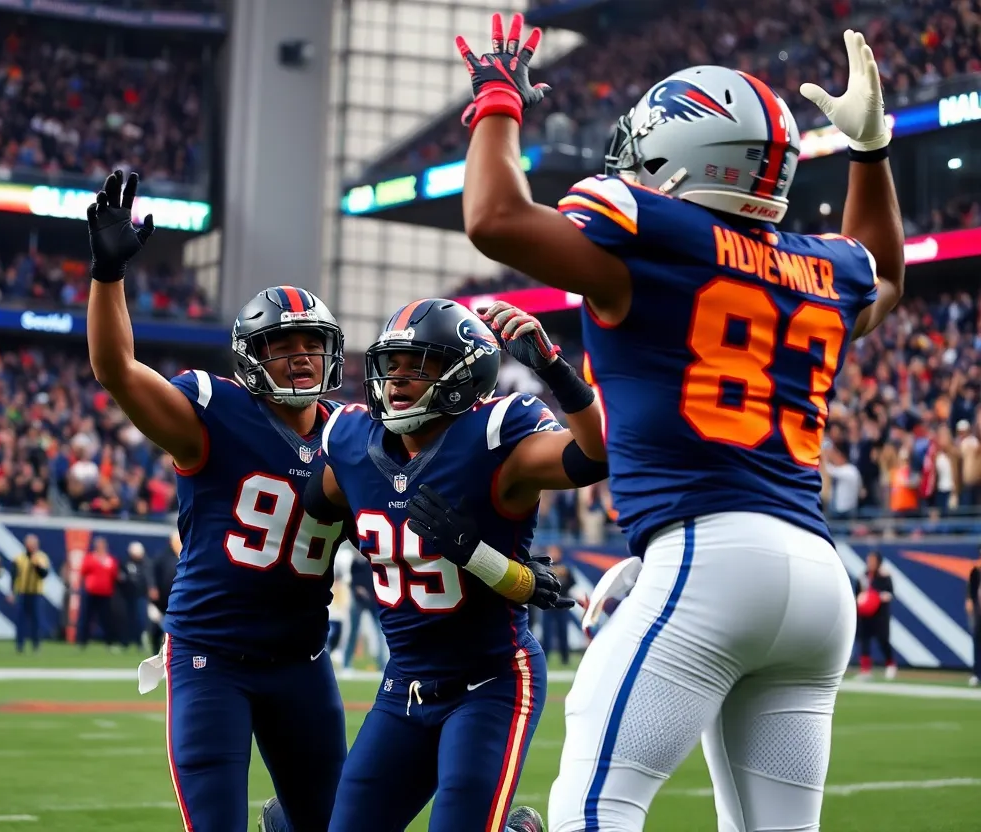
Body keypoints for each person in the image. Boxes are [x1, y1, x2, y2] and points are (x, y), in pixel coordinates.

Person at [455, 13, 904, 831]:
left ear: (681, 157)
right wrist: (872, 155)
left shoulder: (648, 231)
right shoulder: (822, 267)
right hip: (816, 578)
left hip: (708, 557)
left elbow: (493, 218)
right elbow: (884, 276)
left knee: (592, 811)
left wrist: (495, 99)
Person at [87, 170, 350, 831]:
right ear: (250, 358)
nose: (298, 358)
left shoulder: (352, 436)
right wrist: (107, 276)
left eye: (309, 345)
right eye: (280, 346)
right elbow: (117, 370)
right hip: (212, 656)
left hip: (303, 661)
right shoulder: (215, 411)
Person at [302, 298, 606, 831]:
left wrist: (552, 366)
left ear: (465, 373)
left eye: (419, 365)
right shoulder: (351, 444)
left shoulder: (495, 435)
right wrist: (507, 573)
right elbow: (319, 508)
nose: (397, 379)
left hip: (490, 683)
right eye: (391, 364)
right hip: (405, 686)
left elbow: (596, 453)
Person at [855, 550, 896, 680]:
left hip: (880, 615)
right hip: (865, 615)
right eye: (869, 560)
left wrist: (876, 597)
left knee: (883, 640)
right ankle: (865, 669)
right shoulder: (864, 575)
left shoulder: (884, 576)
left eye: (873, 560)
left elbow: (889, 594)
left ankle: (890, 665)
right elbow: (858, 593)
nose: (870, 563)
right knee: (864, 640)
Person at [9, 534, 50, 653]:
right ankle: (19, 645)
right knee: (20, 620)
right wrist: (12, 592)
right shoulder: (19, 558)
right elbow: (13, 575)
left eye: (33, 544)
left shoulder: (41, 557)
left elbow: (44, 574)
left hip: (36, 593)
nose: (31, 546)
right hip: (22, 592)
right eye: (29, 544)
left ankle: (36, 645)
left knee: (36, 620)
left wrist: (36, 564)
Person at [78, 537, 118, 649]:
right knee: (87, 617)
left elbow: (114, 574)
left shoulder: (110, 560)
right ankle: (83, 642)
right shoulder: (90, 558)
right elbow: (83, 571)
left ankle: (109, 642)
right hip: (91, 592)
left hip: (105, 593)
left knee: (106, 619)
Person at [966, 547, 980, 687]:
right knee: (977, 642)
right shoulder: (976, 571)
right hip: (979, 612)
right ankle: (977, 673)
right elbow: (971, 592)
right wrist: (969, 599)